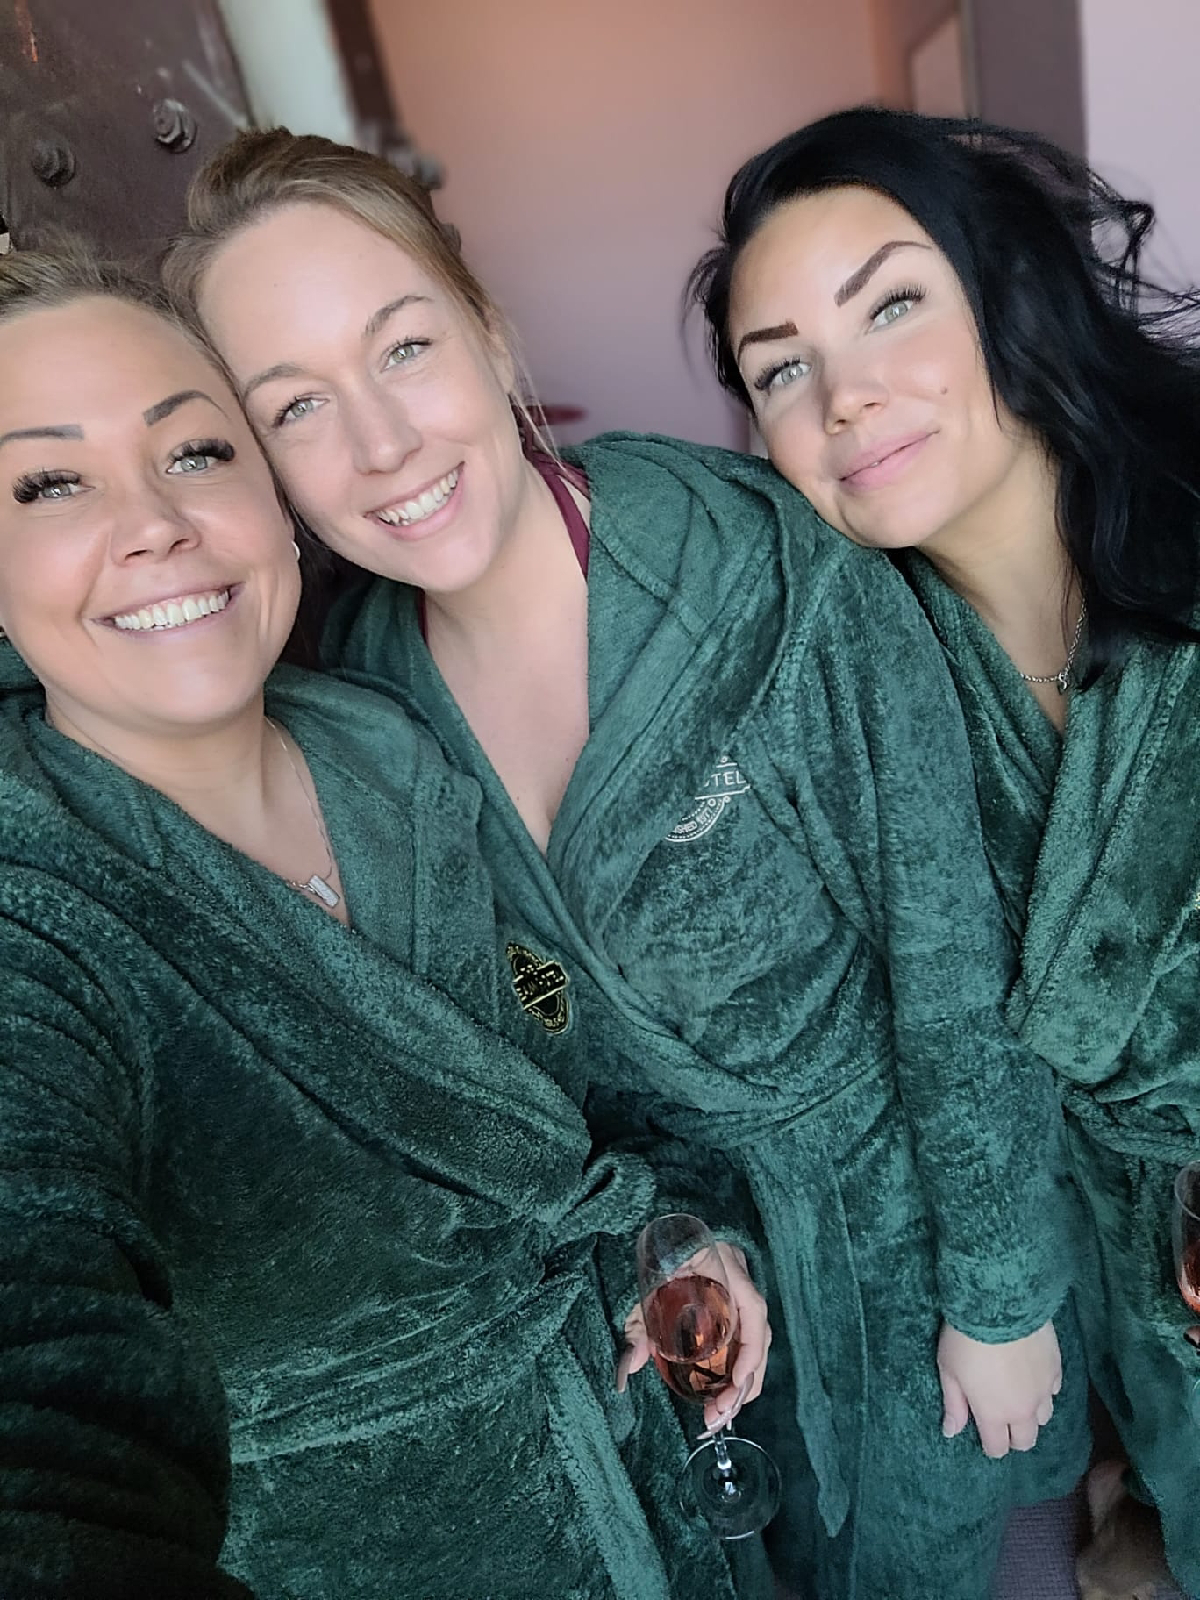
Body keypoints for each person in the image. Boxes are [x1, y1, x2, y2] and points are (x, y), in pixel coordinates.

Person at [163, 128, 1090, 1600]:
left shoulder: (767, 573)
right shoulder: (358, 706)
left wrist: (999, 1289)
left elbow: (950, 951)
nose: (382, 444)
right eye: (296, 407)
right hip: (678, 1316)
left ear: (487, 330)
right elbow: (525, 1035)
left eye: (403, 347)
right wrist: (672, 1236)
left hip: (911, 1261)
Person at [0, 246, 764, 1600]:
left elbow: (564, 1047)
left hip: (637, 1467)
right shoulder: (35, 909)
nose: (155, 523)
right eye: (49, 483)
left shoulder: (393, 746)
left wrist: (669, 1233)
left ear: (275, 500)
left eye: (195, 452)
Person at [688, 103, 1200, 1594]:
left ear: (1008, 297)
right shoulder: (856, 689)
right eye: (783, 369)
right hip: (1135, 1319)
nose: (846, 396)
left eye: (893, 305)